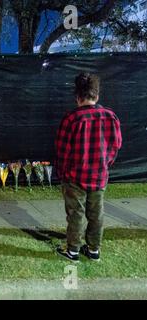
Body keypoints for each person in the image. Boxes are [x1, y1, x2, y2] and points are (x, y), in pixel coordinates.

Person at [55, 73, 122, 262]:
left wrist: (63, 173)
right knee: (97, 213)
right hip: (99, 176)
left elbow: (62, 150)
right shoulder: (111, 117)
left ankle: (73, 251)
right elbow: (115, 146)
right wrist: (105, 165)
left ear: (77, 97)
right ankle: (94, 250)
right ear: (97, 96)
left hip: (74, 177)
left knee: (76, 214)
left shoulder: (71, 119)